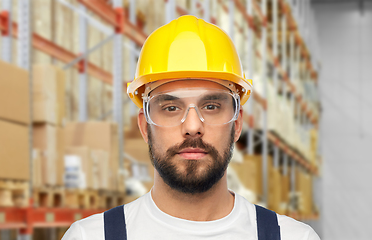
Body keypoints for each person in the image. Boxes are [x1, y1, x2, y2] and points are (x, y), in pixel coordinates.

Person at [62, 15, 320, 240]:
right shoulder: (91, 237)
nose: (193, 126)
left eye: (211, 106)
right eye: (171, 108)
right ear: (144, 127)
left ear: (237, 123)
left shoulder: (292, 237)